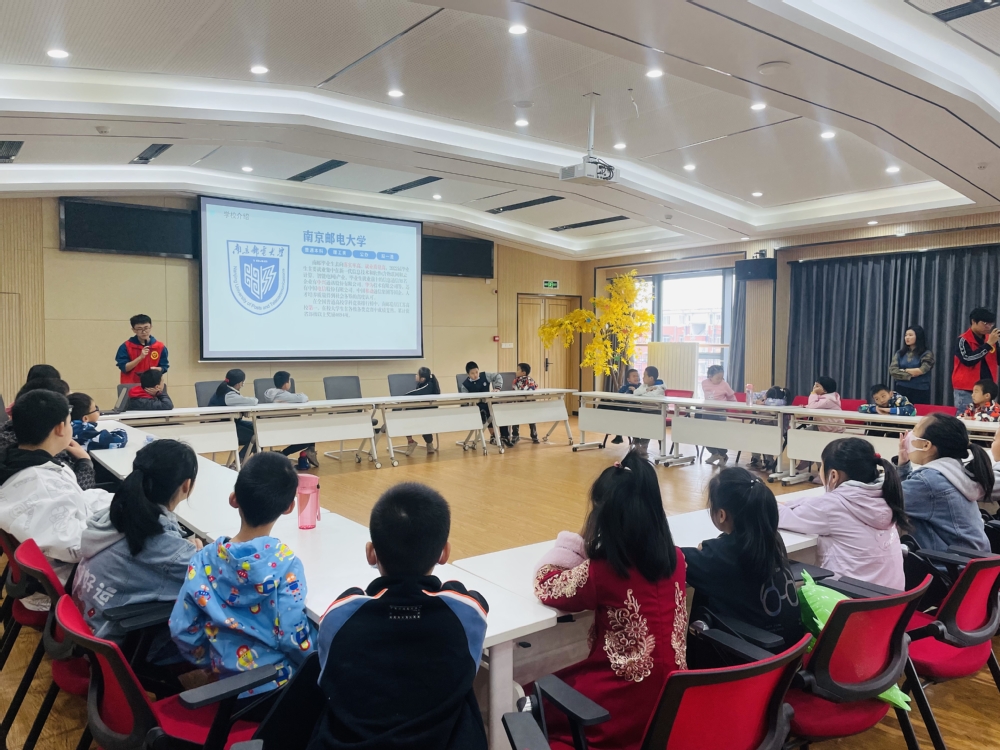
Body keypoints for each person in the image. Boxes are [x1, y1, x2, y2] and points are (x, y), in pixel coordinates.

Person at [308, 483, 489, 750]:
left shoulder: (340, 617)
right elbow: (472, 600)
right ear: (444, 553)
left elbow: (327, 673)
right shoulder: (463, 614)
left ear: (371, 553)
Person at [532, 450, 686, 750]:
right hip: (671, 705)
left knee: (531, 693)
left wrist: (571, 543)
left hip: (615, 709)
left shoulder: (602, 571)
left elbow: (545, 583)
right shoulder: (678, 560)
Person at [169, 452, 314, 695]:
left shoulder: (202, 560)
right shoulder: (287, 566)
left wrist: (212, 661)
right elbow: (293, 637)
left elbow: (182, 628)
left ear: (234, 499)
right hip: (277, 692)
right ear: (289, 507)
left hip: (224, 689)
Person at [74, 440, 200, 644]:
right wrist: (195, 555)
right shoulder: (165, 549)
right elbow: (215, 581)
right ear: (187, 485)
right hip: (112, 644)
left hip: (83, 625)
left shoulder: (114, 515)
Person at [0, 391, 113, 609]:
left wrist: (119, 503)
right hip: (60, 587)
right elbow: (75, 546)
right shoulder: (41, 483)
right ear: (61, 428)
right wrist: (116, 525)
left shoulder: (22, 464)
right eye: (70, 422)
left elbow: (78, 499)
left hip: (48, 574)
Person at [682, 467, 804, 650]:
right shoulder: (773, 539)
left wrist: (709, 549)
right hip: (790, 656)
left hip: (751, 659)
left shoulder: (719, 556)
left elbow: (669, 556)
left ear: (721, 515)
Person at [778, 438, 907, 589]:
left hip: (849, 599)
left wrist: (773, 502)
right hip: (892, 599)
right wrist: (790, 503)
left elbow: (780, 516)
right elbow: (819, 503)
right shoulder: (886, 495)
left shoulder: (832, 506)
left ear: (833, 475)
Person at [896, 413, 992, 554]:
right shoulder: (954, 470)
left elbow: (887, 501)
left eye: (915, 430)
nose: (909, 435)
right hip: (972, 562)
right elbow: (907, 496)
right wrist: (903, 465)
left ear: (926, 445)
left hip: (948, 564)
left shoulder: (929, 481)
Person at [0, 379, 96, 490]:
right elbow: (79, 493)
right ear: (60, 428)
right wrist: (85, 461)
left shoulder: (8, 457)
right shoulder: (49, 478)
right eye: (69, 423)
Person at [263, 371, 318, 468]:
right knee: (310, 433)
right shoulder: (283, 395)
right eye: (289, 381)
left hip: (273, 425)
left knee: (309, 430)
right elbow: (302, 398)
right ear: (285, 384)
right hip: (284, 426)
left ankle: (310, 450)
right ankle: (283, 454)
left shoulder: (269, 393)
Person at [952, 307, 999, 416]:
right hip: (967, 389)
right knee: (965, 419)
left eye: (991, 324)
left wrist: (992, 343)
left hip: (987, 389)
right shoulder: (963, 340)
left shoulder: (991, 339)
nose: (988, 327)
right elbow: (968, 360)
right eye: (985, 323)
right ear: (973, 321)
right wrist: (988, 345)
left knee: (988, 419)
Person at [209, 369, 258, 461]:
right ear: (239, 383)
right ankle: (237, 463)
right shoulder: (229, 395)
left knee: (259, 428)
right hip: (222, 428)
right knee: (257, 436)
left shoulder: (225, 389)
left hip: (230, 423)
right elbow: (253, 401)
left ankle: (257, 459)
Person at [459, 361, 509, 446]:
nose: (475, 375)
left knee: (500, 410)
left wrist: (497, 387)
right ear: (468, 374)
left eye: (476, 372)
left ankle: (505, 436)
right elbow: (464, 400)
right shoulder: (465, 385)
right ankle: (493, 436)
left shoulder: (485, 375)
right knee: (486, 413)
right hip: (477, 406)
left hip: (489, 401)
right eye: (472, 373)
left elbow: (498, 376)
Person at [116, 313, 169, 385]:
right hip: (131, 385)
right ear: (133, 330)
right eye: (139, 329)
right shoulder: (126, 346)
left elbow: (164, 367)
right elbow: (124, 368)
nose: (144, 332)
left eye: (146, 328)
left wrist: (157, 369)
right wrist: (140, 358)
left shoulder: (160, 347)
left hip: (152, 386)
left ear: (151, 327)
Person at [889, 325, 935, 406]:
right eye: (906, 335)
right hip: (901, 389)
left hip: (920, 391)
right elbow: (893, 371)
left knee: (918, 412)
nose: (907, 338)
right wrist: (911, 375)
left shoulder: (926, 354)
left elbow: (921, 370)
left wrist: (904, 370)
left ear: (918, 336)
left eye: (910, 335)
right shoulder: (900, 353)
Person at [701, 364, 736, 466]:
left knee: (719, 435)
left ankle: (723, 455)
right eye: (718, 378)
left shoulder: (724, 384)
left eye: (722, 377)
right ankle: (714, 453)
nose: (720, 380)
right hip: (707, 412)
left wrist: (735, 405)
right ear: (710, 376)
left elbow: (731, 397)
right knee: (706, 435)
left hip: (720, 412)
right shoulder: (704, 383)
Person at [750, 386, 790, 472]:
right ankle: (756, 458)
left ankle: (769, 460)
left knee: (768, 438)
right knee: (755, 435)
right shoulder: (764, 393)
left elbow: (773, 403)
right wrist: (757, 401)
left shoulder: (781, 400)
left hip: (776, 426)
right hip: (762, 423)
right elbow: (750, 396)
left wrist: (765, 401)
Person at [405, 367, 441, 454]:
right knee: (405, 413)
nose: (416, 375)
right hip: (421, 408)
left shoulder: (428, 385)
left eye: (417, 374)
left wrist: (403, 396)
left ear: (422, 378)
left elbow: (415, 393)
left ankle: (428, 443)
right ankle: (413, 442)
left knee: (408, 414)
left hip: (426, 410)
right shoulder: (422, 384)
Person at [631, 366, 665, 456]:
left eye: (644, 376)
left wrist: (643, 393)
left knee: (647, 425)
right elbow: (636, 393)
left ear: (651, 378)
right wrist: (647, 390)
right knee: (633, 420)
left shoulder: (660, 387)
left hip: (656, 412)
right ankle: (637, 443)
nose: (642, 378)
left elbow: (652, 396)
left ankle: (644, 447)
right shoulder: (644, 386)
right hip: (645, 410)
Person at [610, 368, 641, 445]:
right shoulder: (625, 387)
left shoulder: (641, 387)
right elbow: (618, 396)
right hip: (624, 410)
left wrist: (635, 391)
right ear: (628, 379)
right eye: (634, 376)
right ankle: (619, 435)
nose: (636, 377)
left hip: (635, 410)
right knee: (618, 414)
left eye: (637, 376)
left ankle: (636, 438)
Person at [511, 362, 539, 445]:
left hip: (527, 403)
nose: (516, 371)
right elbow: (514, 389)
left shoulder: (529, 380)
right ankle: (516, 434)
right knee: (516, 418)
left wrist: (522, 391)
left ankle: (533, 435)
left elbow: (532, 388)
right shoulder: (516, 380)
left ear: (523, 372)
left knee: (531, 419)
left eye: (518, 370)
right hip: (519, 403)